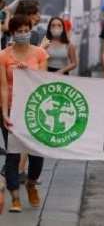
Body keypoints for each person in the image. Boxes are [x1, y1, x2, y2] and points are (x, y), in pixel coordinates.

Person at [0, 15, 48, 213]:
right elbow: (3, 87)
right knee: (12, 155)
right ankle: (15, 198)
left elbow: (43, 82)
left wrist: (28, 72)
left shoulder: (40, 53)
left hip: (34, 111)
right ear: (12, 33)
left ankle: (31, 183)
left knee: (37, 154)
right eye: (19, 31)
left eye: (26, 30)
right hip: (11, 110)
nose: (23, 34)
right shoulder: (3, 55)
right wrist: (4, 113)